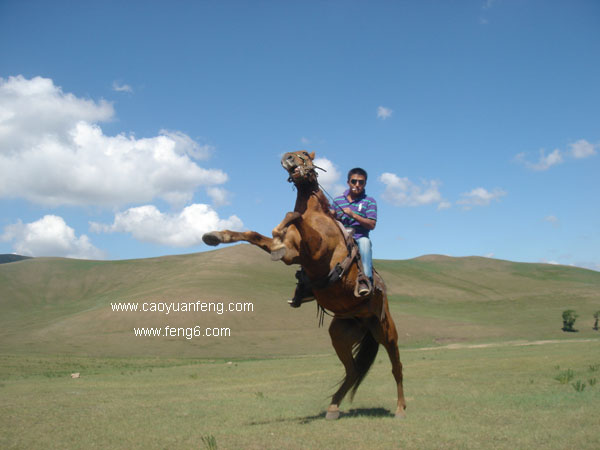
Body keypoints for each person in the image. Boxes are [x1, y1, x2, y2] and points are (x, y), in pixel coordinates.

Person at [288, 167, 377, 307]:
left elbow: (372, 224)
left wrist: (354, 215)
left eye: (361, 182)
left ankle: (365, 281)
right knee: (314, 250)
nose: (357, 185)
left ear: (365, 184)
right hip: (340, 237)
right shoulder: (338, 200)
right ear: (348, 182)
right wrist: (331, 215)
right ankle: (305, 286)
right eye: (354, 181)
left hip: (359, 236)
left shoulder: (369, 201)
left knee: (365, 243)